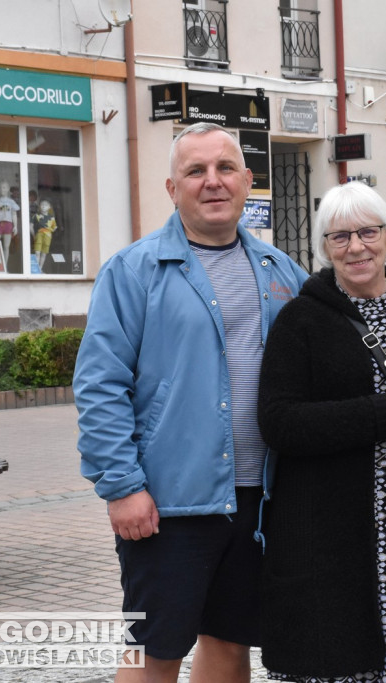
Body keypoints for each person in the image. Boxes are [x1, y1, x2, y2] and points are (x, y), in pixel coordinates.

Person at [73, 121, 308, 683]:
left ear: (248, 181)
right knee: (154, 647)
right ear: (171, 188)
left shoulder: (281, 272)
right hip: (167, 505)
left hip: (257, 499)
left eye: (225, 168)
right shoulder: (134, 271)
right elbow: (100, 385)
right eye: (195, 171)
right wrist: (123, 487)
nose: (213, 182)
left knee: (230, 644)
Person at [257, 180, 386, 682]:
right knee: (340, 658)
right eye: (339, 237)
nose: (355, 248)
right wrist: (380, 416)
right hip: (332, 524)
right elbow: (278, 421)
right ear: (325, 248)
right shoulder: (301, 319)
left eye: (367, 233)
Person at [31, 199, 57, 271]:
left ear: (49, 207)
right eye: (42, 205)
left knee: (44, 252)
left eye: (45, 205)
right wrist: (34, 235)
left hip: (48, 235)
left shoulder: (51, 217)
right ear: (39, 206)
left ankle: (40, 268)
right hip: (39, 234)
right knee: (37, 251)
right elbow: (31, 226)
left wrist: (49, 230)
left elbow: (54, 227)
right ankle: (36, 269)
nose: (43, 206)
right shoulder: (36, 216)